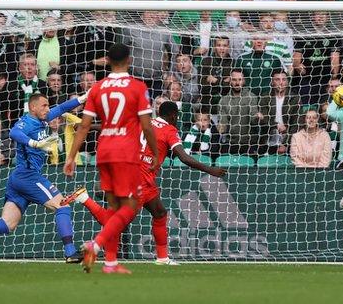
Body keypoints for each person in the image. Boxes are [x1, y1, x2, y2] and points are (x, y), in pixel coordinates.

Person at [62, 101, 225, 266]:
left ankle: (162, 258)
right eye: (177, 116)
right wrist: (210, 170)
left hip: (139, 177)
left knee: (160, 212)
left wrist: (88, 126)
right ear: (173, 116)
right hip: (139, 181)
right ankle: (84, 198)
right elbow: (183, 157)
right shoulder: (169, 130)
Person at [0, 92, 88, 262]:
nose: (47, 109)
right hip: (28, 176)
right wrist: (34, 143)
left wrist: (83, 98)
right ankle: (70, 252)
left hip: (18, 178)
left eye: (48, 105)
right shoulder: (26, 122)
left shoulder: (43, 117)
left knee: (7, 224)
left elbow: (62, 107)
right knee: (63, 206)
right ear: (32, 107)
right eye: (44, 105)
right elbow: (13, 133)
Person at [63, 43, 159, 274]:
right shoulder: (138, 87)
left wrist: (71, 156)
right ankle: (95, 245)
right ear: (129, 60)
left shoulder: (98, 87)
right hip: (126, 152)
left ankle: (111, 263)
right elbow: (146, 126)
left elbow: (84, 126)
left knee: (114, 207)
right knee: (131, 205)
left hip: (104, 151)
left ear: (107, 60)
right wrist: (155, 153)